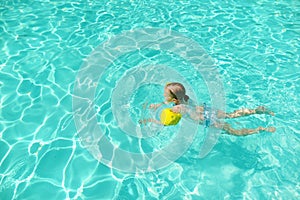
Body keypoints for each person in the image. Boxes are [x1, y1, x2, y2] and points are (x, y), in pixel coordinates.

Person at [140, 82, 276, 136]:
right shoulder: (185, 98)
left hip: (207, 120)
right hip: (208, 110)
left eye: (166, 95)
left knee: (234, 131)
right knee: (230, 115)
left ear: (174, 100)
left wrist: (150, 119)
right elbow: (168, 102)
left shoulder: (178, 109)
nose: (164, 97)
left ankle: (261, 129)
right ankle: (256, 110)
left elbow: (166, 123)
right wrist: (159, 105)